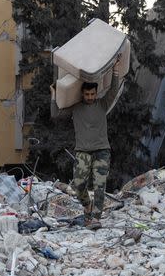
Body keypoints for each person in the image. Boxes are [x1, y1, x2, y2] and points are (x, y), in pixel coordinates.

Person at [51, 54, 123, 229]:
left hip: (102, 150)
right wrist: (54, 95)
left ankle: (95, 218)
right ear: (82, 94)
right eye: (87, 94)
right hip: (82, 150)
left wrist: (115, 70)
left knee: (100, 185)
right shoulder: (75, 108)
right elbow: (56, 115)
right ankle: (87, 206)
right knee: (78, 183)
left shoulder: (102, 104)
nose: (90, 97)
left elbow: (113, 91)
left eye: (92, 94)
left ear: (96, 93)